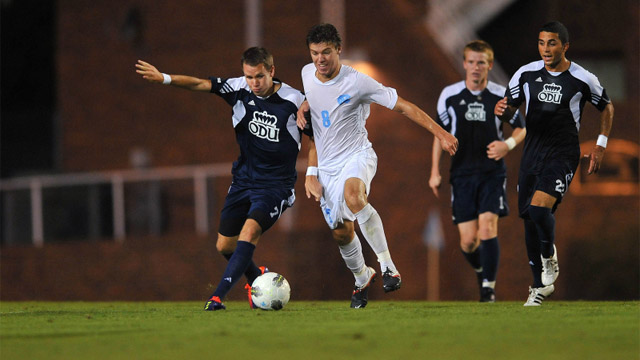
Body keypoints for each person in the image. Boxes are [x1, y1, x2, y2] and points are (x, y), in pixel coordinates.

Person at [296, 23, 458, 308]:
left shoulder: (359, 82)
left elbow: (405, 107)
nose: (320, 59)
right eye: (314, 53)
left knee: (354, 196)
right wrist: (311, 169)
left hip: (358, 155)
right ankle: (362, 277)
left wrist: (441, 133)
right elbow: (315, 130)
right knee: (341, 232)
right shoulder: (307, 74)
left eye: (326, 52)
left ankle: (387, 267)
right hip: (327, 167)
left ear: (339, 50)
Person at [135, 47, 306, 311]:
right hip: (243, 181)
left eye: (259, 76)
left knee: (249, 232)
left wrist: (314, 175)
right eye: (249, 77)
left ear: (272, 71)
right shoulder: (238, 88)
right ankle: (256, 277)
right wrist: (165, 78)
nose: (254, 83)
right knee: (224, 245)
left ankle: (217, 296)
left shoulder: (295, 100)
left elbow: (316, 138)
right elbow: (201, 83)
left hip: (275, 186)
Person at [495, 21, 614, 306]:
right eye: (541, 43)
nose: (545, 49)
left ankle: (549, 256)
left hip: (562, 154)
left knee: (538, 209)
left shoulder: (582, 78)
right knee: (529, 221)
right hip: (531, 156)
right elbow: (509, 108)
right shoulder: (525, 74)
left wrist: (600, 145)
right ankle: (538, 288)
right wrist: (502, 111)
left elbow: (606, 106)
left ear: (565, 46)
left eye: (551, 43)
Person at [429, 40, 526, 303]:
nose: (475, 67)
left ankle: (488, 288)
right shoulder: (449, 95)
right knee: (468, 242)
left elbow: (521, 127)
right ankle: (482, 269)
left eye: (481, 62)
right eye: (471, 62)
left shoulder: (500, 95)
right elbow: (440, 134)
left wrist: (507, 145)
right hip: (461, 175)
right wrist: (434, 171)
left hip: (491, 173)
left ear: (489, 65)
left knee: (487, 227)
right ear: (464, 64)